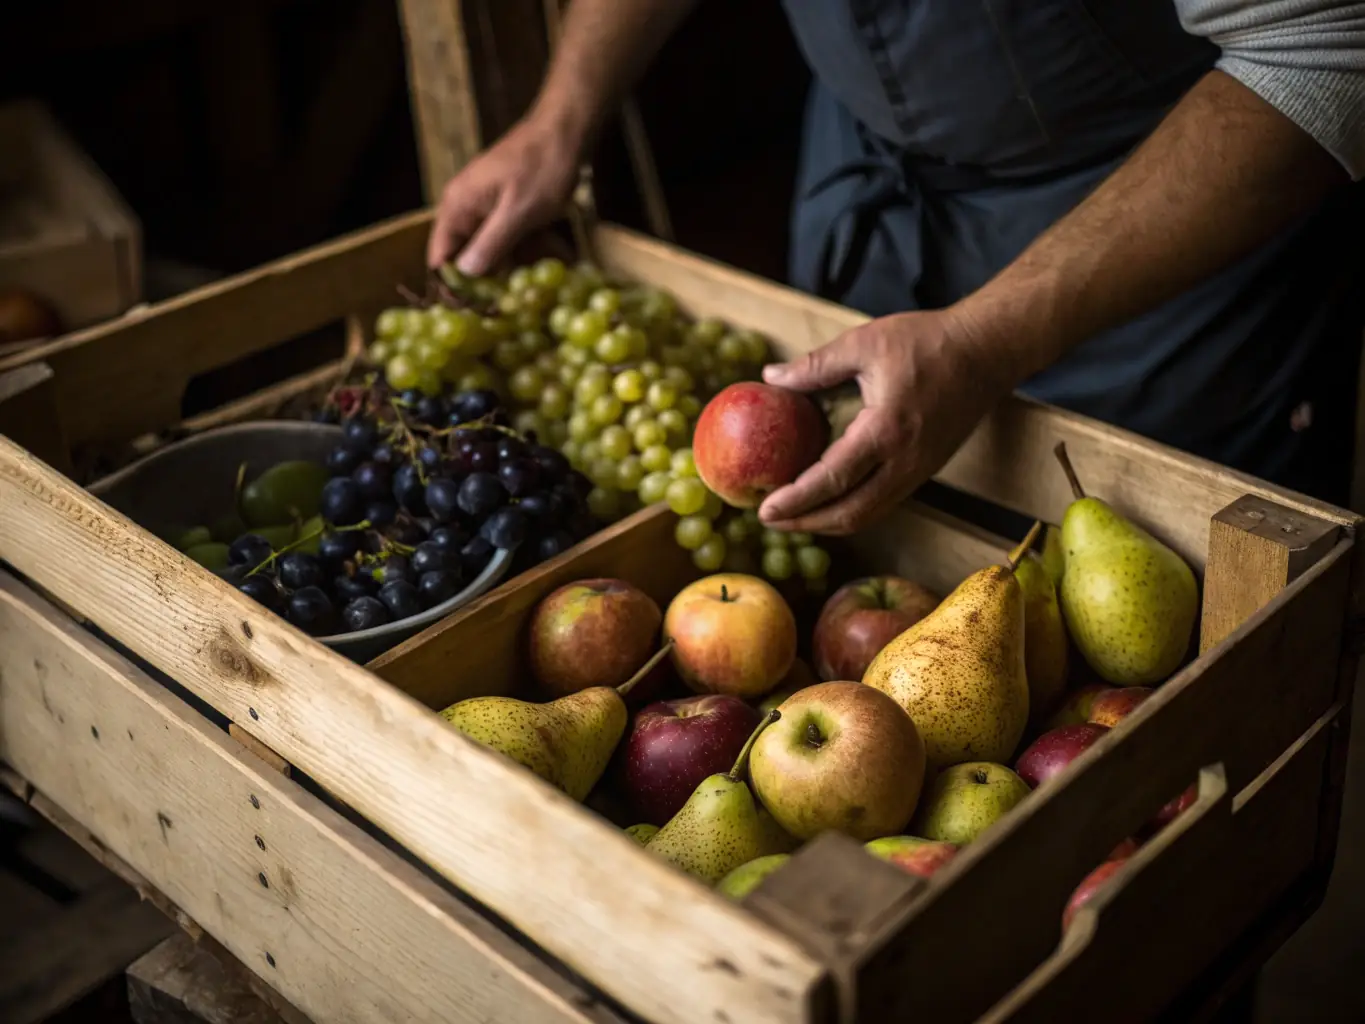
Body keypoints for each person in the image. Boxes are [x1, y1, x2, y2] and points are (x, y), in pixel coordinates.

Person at [426, 1, 1365, 533]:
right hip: (879, 175)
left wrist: (986, 337)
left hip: (1155, 253)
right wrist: (561, 116)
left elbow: (1322, 49)